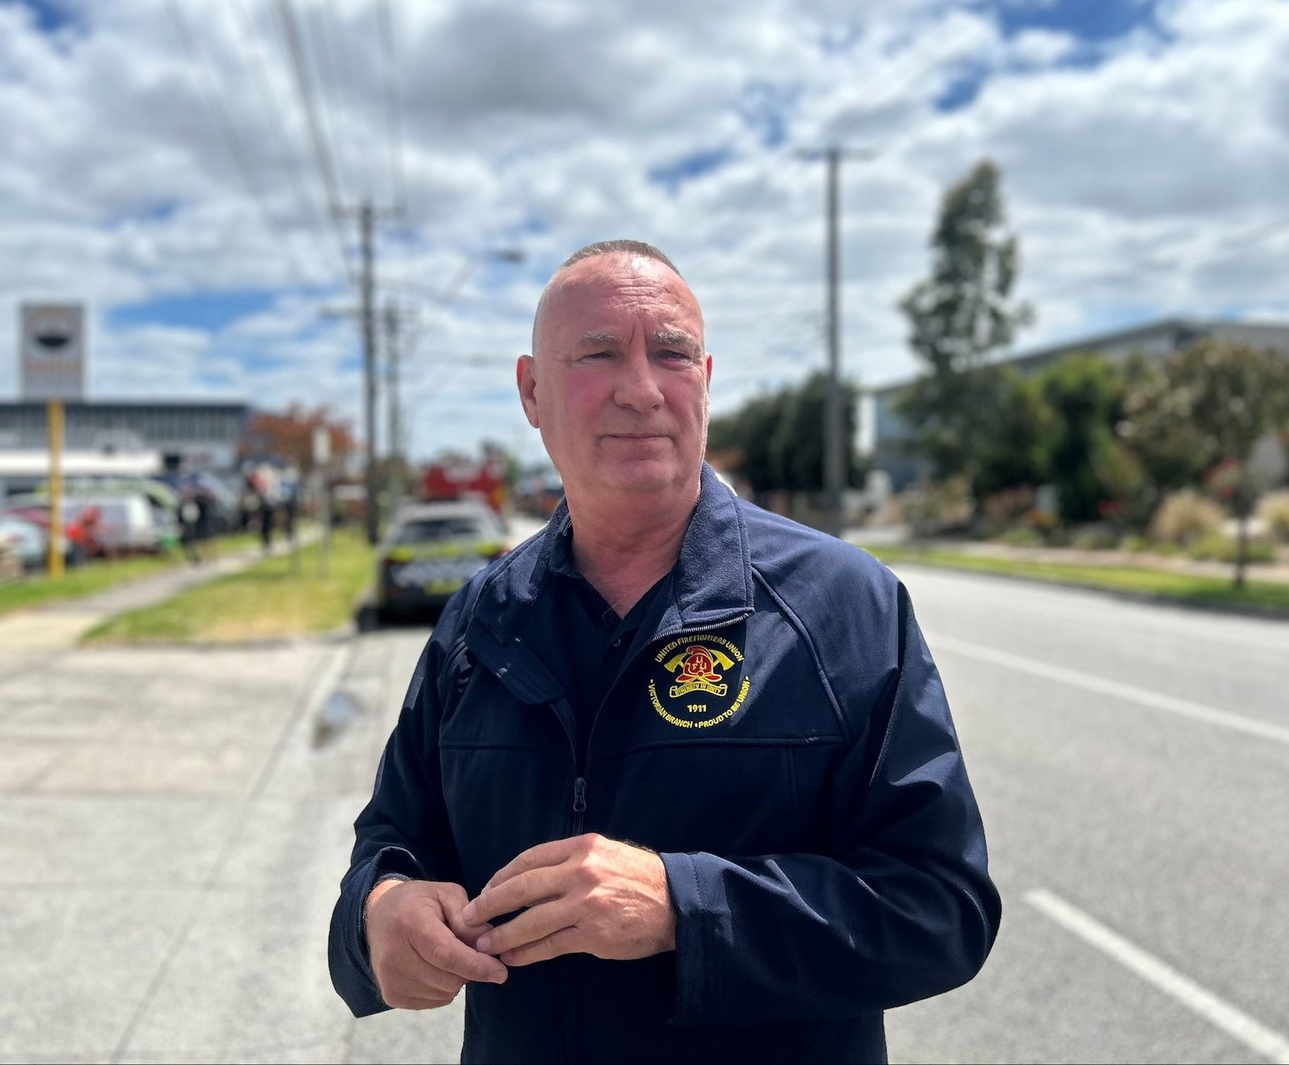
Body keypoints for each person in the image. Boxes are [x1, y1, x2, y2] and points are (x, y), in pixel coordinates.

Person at [328, 240, 999, 1064]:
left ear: (706, 380)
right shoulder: (480, 623)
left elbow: (943, 908)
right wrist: (379, 917)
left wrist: (687, 908)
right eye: (599, 353)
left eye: (672, 353)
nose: (641, 388)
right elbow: (392, 840)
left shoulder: (845, 607)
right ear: (532, 392)